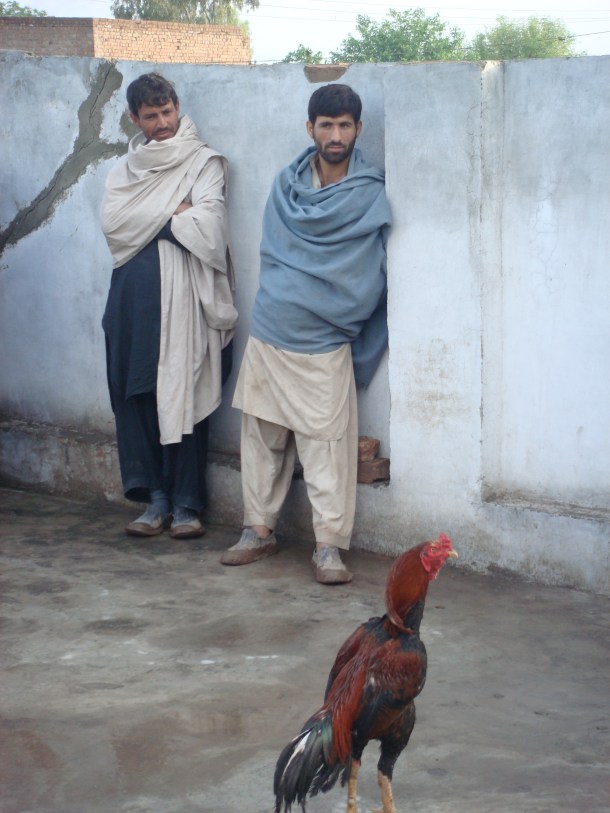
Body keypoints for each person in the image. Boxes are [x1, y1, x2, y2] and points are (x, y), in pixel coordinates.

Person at [220, 84, 390, 584]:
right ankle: (258, 531)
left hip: (325, 341)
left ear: (358, 129)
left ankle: (329, 548)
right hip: (273, 330)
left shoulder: (369, 193)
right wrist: (293, 296)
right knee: (261, 440)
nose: (335, 135)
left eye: (344, 125)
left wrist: (329, 305)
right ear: (309, 127)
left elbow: (369, 275)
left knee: (328, 449)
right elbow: (274, 256)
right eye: (325, 125)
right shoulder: (286, 186)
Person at [101, 73, 237, 540]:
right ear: (134, 119)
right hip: (132, 303)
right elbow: (116, 226)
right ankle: (153, 501)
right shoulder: (124, 171)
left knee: (185, 396)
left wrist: (156, 217)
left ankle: (186, 505)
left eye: (167, 112)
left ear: (178, 107)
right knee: (138, 394)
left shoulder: (204, 162)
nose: (161, 123)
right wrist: (173, 211)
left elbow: (212, 226)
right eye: (150, 116)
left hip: (185, 302)